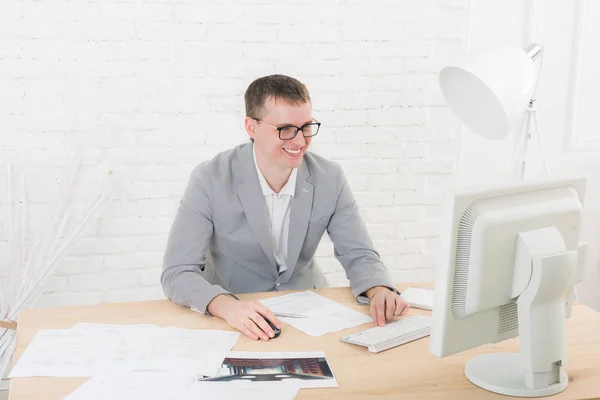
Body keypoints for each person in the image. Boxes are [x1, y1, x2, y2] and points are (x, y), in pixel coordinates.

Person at [162, 74, 410, 341]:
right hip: (236, 312)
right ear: (251, 127)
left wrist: (379, 289)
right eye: (286, 129)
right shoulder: (209, 178)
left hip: (312, 313)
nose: (300, 141)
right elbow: (178, 272)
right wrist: (227, 307)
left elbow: (358, 253)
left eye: (306, 127)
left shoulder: (329, 177)